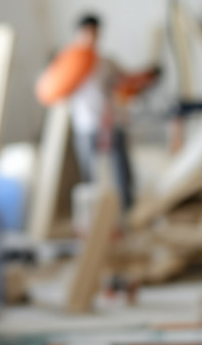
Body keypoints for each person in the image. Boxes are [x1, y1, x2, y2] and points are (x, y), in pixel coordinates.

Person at [36, 13, 160, 212]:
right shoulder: (68, 62)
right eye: (88, 33)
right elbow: (52, 89)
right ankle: (96, 217)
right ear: (80, 33)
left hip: (112, 124)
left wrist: (147, 76)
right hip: (86, 126)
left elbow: (127, 82)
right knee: (91, 176)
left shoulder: (106, 62)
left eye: (96, 33)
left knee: (121, 171)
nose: (92, 38)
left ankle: (127, 212)